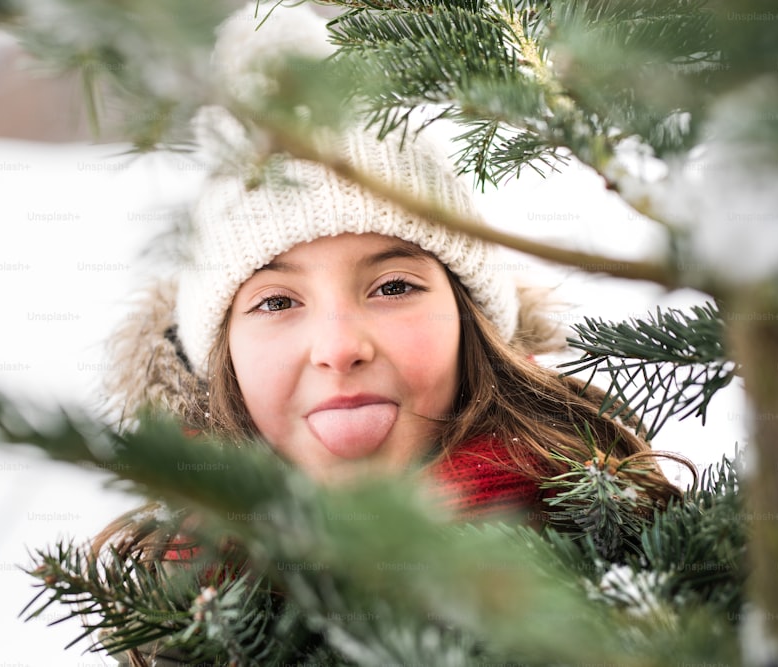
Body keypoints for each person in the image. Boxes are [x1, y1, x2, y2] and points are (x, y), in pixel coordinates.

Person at [96, 4, 688, 664]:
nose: (340, 346)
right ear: (222, 356)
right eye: (277, 300)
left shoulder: (630, 553)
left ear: (471, 320)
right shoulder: (174, 617)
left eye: (393, 287)